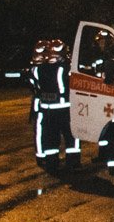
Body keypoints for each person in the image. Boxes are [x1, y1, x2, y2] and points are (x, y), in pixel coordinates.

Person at [29, 39, 81, 173]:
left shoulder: (37, 69)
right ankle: (73, 161)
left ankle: (51, 163)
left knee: (50, 138)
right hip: (65, 110)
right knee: (71, 136)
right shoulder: (64, 68)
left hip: (46, 110)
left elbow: (35, 89)